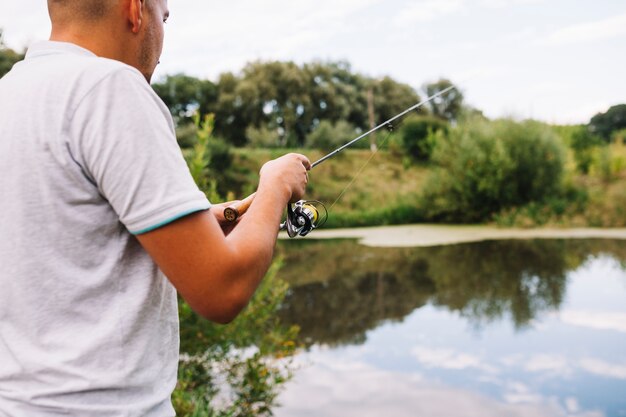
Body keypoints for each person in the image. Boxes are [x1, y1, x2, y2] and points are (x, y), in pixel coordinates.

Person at [0, 0, 310, 415]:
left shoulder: (12, 93)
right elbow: (223, 290)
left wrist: (201, 222)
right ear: (135, 9)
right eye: (164, 17)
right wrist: (276, 186)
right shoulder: (109, 87)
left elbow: (58, 236)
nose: (163, 37)